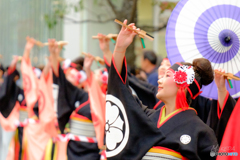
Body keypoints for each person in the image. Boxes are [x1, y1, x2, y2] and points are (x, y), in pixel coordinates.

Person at [105, 19, 218, 159]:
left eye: (167, 75)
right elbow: (121, 91)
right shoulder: (146, 117)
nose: (159, 80)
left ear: (182, 84)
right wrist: (120, 48)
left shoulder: (202, 131)